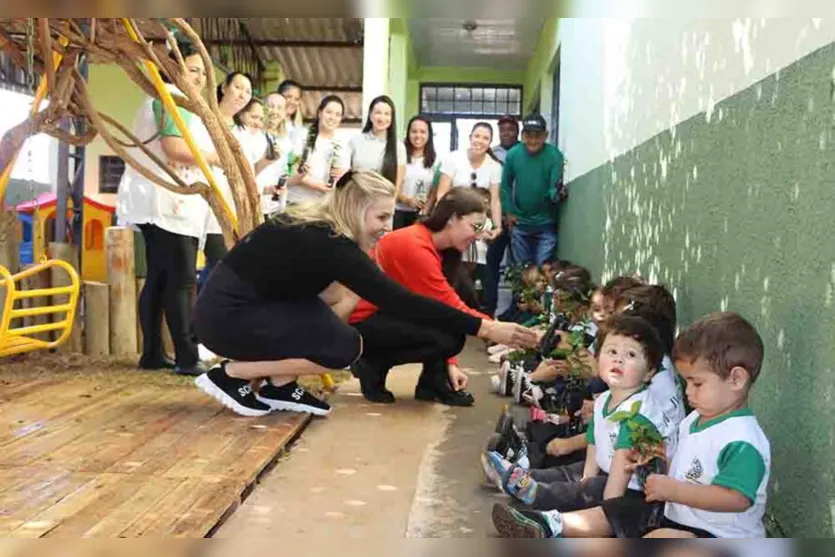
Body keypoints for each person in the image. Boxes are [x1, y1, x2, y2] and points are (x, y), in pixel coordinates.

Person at [192, 170, 539, 418]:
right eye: (382, 216)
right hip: (226, 319)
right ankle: (233, 375)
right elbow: (402, 300)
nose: (388, 226)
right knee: (346, 347)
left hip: (241, 306)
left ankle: (280, 384)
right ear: (356, 210)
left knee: (333, 312)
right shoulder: (330, 244)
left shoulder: (318, 229)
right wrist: (488, 329)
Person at [349, 187, 506, 406]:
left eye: (482, 228)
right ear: (452, 218)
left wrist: (450, 363)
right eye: (475, 226)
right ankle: (373, 362)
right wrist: (499, 332)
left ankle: (432, 384)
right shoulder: (414, 245)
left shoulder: (440, 247)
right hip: (360, 323)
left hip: (384, 315)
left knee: (450, 333)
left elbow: (444, 308)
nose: (479, 235)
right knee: (449, 336)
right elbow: (448, 307)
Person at [116, 43, 217, 377]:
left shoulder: (165, 97)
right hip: (167, 202)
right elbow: (174, 149)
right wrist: (219, 158)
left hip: (156, 200)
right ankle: (187, 356)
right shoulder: (173, 97)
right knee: (182, 280)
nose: (200, 77)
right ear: (172, 69)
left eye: (203, 71)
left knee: (160, 278)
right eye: (192, 69)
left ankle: (153, 353)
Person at [201, 71, 254, 282]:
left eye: (248, 92)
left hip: (233, 208)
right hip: (206, 202)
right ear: (224, 88)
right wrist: (217, 159)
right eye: (238, 87)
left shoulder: (244, 133)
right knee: (217, 267)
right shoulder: (204, 119)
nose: (242, 95)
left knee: (224, 270)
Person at [501, 113, 566, 266]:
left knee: (543, 271)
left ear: (546, 136)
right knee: (522, 272)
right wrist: (509, 211)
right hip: (520, 223)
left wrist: (557, 194)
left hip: (546, 224)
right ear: (523, 135)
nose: (533, 140)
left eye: (537, 135)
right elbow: (505, 185)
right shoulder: (513, 155)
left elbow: (553, 189)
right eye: (529, 135)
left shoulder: (555, 156)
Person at [435, 122, 503, 242]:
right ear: (470, 137)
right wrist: (446, 218)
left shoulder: (495, 166)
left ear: (490, 142)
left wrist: (497, 227)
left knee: (477, 257)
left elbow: (495, 200)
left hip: (479, 223)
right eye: (477, 136)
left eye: (485, 138)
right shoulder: (453, 158)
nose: (480, 141)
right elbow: (441, 194)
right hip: (454, 218)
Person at [485, 115, 520, 317]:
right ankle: (489, 308)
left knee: (518, 267)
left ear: (517, 131)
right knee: (491, 263)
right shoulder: (492, 154)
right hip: (497, 218)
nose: (506, 132)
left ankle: (515, 309)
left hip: (518, 219)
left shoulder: (523, 151)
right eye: (502, 129)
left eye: (510, 129)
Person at [288, 95, 350, 205]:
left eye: (337, 114)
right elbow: (292, 168)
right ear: (320, 113)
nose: (332, 117)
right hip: (298, 201)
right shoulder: (302, 136)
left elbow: (343, 174)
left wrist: (342, 175)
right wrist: (317, 186)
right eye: (329, 112)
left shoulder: (342, 143)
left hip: (324, 205)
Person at [347, 95, 407, 197]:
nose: (382, 118)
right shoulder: (355, 142)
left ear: (392, 118)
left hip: (382, 204)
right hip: (355, 201)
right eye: (378, 113)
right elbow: (346, 175)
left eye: (387, 114)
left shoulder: (398, 146)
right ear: (370, 115)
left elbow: (397, 185)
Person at [394, 115, 437, 229]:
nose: (418, 135)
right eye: (414, 131)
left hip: (421, 215)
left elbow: (434, 190)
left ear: (429, 135)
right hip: (396, 212)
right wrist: (406, 200)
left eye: (423, 132)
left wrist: (425, 212)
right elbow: (391, 184)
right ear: (408, 133)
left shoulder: (436, 160)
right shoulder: (398, 155)